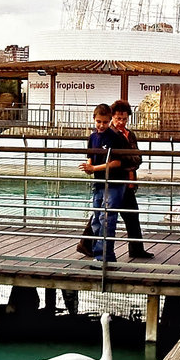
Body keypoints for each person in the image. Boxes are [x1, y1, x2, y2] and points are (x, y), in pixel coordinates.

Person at [77, 100, 152, 258]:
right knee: (103, 215)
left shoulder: (128, 135)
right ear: (113, 117)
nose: (121, 122)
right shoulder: (108, 135)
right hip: (113, 179)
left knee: (122, 214)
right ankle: (90, 246)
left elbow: (135, 158)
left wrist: (124, 161)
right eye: (118, 118)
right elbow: (119, 159)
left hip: (125, 180)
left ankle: (133, 249)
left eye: (124, 119)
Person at [79, 103, 129, 264]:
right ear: (94, 120)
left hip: (113, 183)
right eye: (99, 122)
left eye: (105, 122)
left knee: (107, 219)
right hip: (99, 182)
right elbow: (90, 155)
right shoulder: (92, 137)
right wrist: (89, 166)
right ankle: (98, 252)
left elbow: (117, 162)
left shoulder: (115, 137)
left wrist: (94, 167)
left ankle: (104, 257)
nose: (101, 125)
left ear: (110, 121)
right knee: (96, 220)